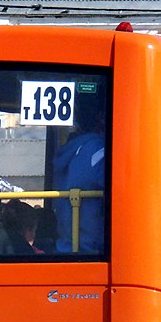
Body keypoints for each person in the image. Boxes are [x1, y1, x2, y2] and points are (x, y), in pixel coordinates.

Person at [53, 105, 106, 254]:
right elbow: (123, 192)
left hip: (66, 245)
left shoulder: (70, 150)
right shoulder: (98, 150)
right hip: (93, 249)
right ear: (101, 120)